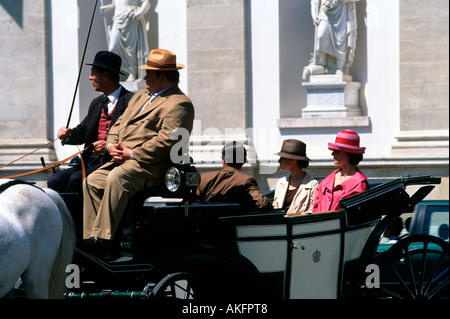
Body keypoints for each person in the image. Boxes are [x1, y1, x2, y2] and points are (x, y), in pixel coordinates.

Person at [82, 49, 194, 257]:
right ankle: (92, 237)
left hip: (150, 166)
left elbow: (167, 141)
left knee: (117, 178)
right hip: (124, 161)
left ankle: (103, 240)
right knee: (92, 181)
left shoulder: (179, 103)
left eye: (149, 74)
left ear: (162, 77)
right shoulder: (141, 96)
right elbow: (118, 124)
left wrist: (131, 154)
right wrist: (111, 145)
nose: (145, 78)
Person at [47, 51, 134, 222]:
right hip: (89, 162)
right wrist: (67, 134)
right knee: (55, 181)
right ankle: (59, 225)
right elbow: (82, 132)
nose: (90, 77)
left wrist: (109, 144)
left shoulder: (131, 101)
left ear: (105, 75)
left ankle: (76, 228)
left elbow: (134, 135)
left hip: (113, 163)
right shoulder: (96, 103)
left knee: (75, 180)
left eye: (93, 73)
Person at [196, 141, 273, 211]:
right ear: (244, 161)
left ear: (224, 159)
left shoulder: (203, 178)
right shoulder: (246, 180)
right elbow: (263, 204)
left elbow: (193, 205)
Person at [312, 130, 369, 213]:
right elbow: (315, 208)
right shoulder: (326, 182)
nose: (332, 154)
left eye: (336, 151)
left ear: (347, 155)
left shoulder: (360, 185)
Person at [100, 0, 150, 81]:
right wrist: (106, 8)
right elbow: (115, 5)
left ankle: (131, 73)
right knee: (113, 48)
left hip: (130, 18)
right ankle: (118, 72)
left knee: (130, 50)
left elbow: (146, 2)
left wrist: (138, 14)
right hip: (118, 19)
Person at [311, 0, 359, 75]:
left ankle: (339, 67)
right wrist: (314, 9)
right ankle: (321, 63)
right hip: (326, 9)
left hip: (342, 9)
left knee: (340, 40)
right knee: (321, 36)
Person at [273, 139, 318, 215]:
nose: (279, 161)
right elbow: (275, 208)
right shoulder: (281, 182)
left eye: (282, 158)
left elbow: (311, 212)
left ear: (293, 160)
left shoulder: (312, 185)